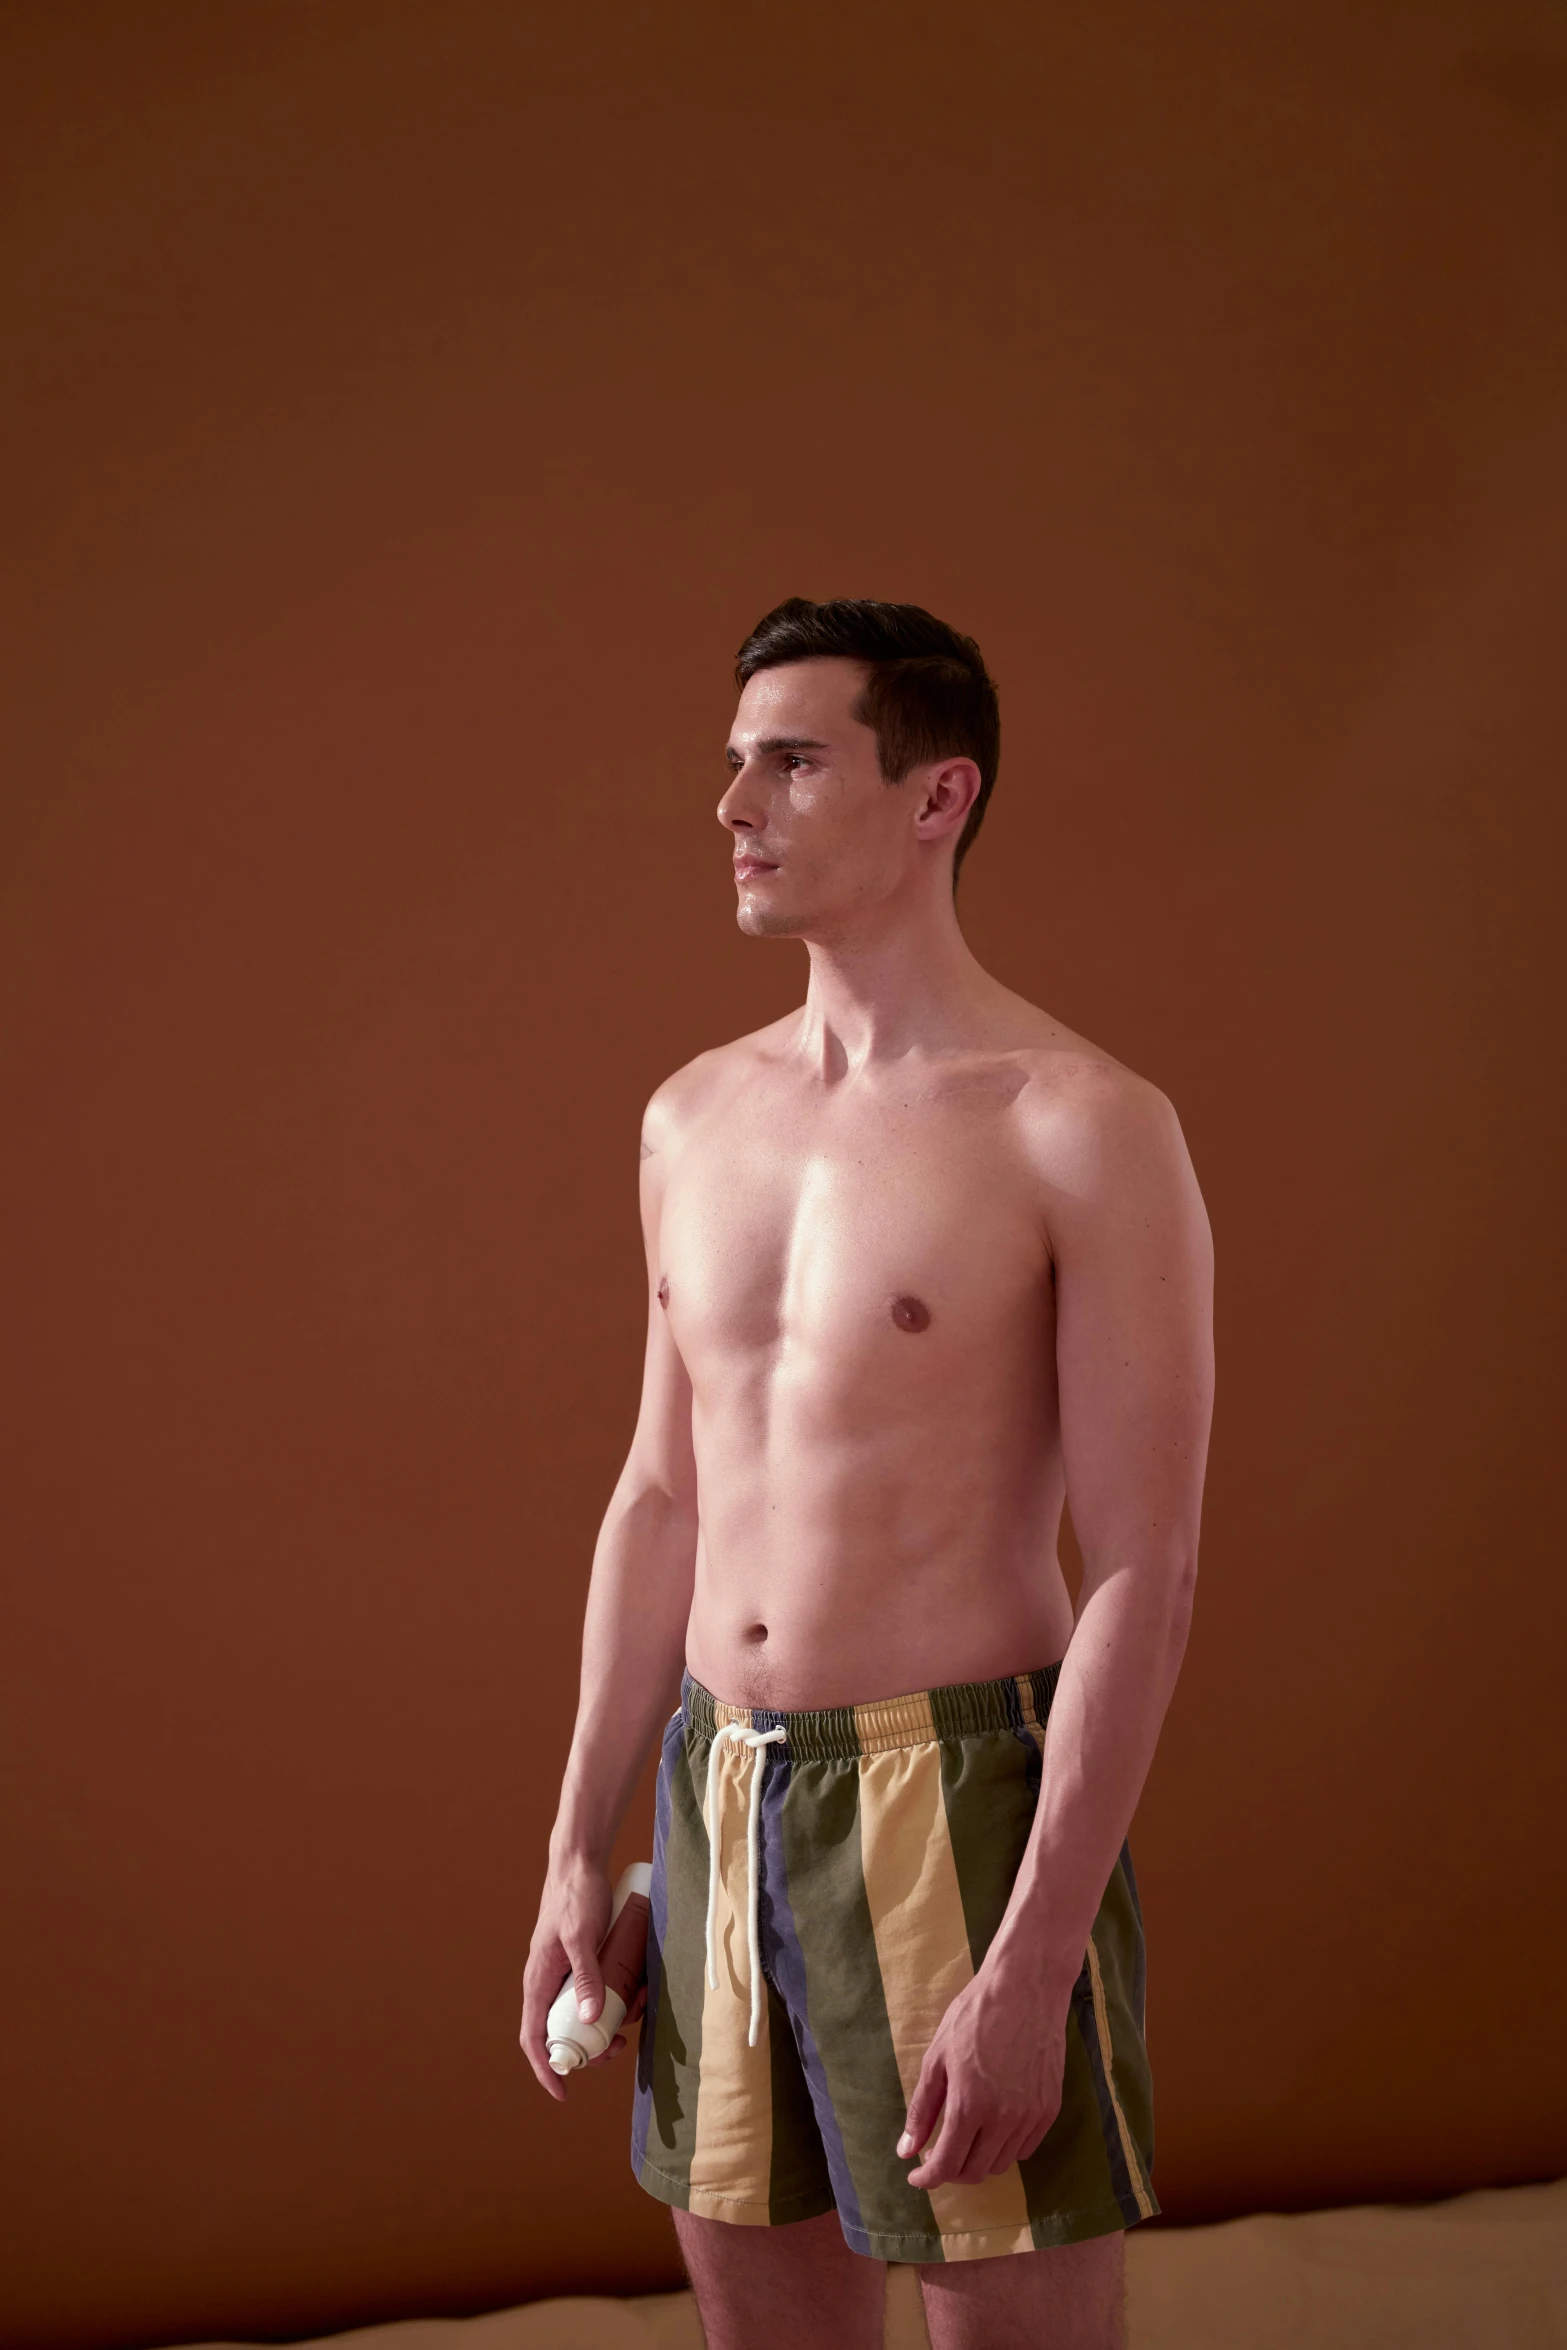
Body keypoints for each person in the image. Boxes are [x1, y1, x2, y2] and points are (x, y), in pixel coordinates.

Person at [520, 597, 1214, 2350]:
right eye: (733, 760)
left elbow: (1144, 1558)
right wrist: (570, 1854)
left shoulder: (1078, 1125)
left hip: (959, 1805)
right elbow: (656, 1497)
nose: (732, 803)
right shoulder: (691, 1117)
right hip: (717, 1795)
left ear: (935, 795)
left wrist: (1040, 1945)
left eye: (792, 758)